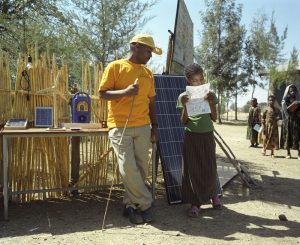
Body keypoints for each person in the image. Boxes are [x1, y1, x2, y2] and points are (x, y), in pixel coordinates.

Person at [99, 34, 161, 224]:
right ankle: (146, 202)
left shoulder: (148, 73)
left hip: (143, 126)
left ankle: (131, 206)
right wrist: (125, 92)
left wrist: (155, 126)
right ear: (135, 47)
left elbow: (151, 101)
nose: (150, 55)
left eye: (151, 51)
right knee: (127, 167)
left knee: (141, 168)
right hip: (119, 126)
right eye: (148, 50)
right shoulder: (115, 67)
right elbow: (102, 94)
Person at [176, 63, 221, 218]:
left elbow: (214, 117)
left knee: (209, 166)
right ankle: (195, 203)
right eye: (195, 80)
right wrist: (185, 105)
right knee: (193, 170)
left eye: (201, 79)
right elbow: (184, 121)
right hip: (191, 136)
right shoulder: (182, 97)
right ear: (188, 80)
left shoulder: (211, 95)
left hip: (207, 135)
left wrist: (210, 103)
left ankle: (214, 195)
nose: (199, 82)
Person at [280, 84, 300, 159]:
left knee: (297, 136)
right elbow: (285, 110)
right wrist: (291, 106)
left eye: (294, 91)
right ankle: (288, 153)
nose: (293, 92)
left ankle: (299, 154)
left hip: (296, 120)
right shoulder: (285, 100)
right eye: (291, 91)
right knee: (288, 136)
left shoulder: (297, 99)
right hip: (288, 121)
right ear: (288, 91)